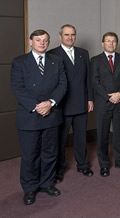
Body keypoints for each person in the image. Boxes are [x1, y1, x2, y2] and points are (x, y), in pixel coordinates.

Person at [10, 29, 67, 205]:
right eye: (38, 40)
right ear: (30, 42)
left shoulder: (56, 61)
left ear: (48, 42)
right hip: (29, 116)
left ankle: (47, 183)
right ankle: (30, 188)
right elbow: (17, 88)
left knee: (49, 153)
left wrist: (50, 103)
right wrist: (37, 106)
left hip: (51, 114)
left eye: (45, 40)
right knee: (30, 155)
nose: (42, 43)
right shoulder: (19, 62)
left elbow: (62, 85)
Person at [48, 24, 94, 183]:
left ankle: (83, 164)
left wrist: (90, 99)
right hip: (62, 105)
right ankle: (59, 168)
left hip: (81, 102)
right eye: (67, 35)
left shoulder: (83, 53)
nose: (70, 37)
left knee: (81, 137)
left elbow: (88, 78)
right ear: (60, 36)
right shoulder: (52, 54)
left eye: (73, 34)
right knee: (60, 139)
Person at [91, 32, 120, 177]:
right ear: (103, 43)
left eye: (114, 41)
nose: (111, 43)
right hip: (103, 102)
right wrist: (109, 97)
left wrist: (119, 94)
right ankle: (104, 164)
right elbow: (95, 82)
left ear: (117, 43)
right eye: (108, 41)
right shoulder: (95, 60)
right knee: (102, 134)